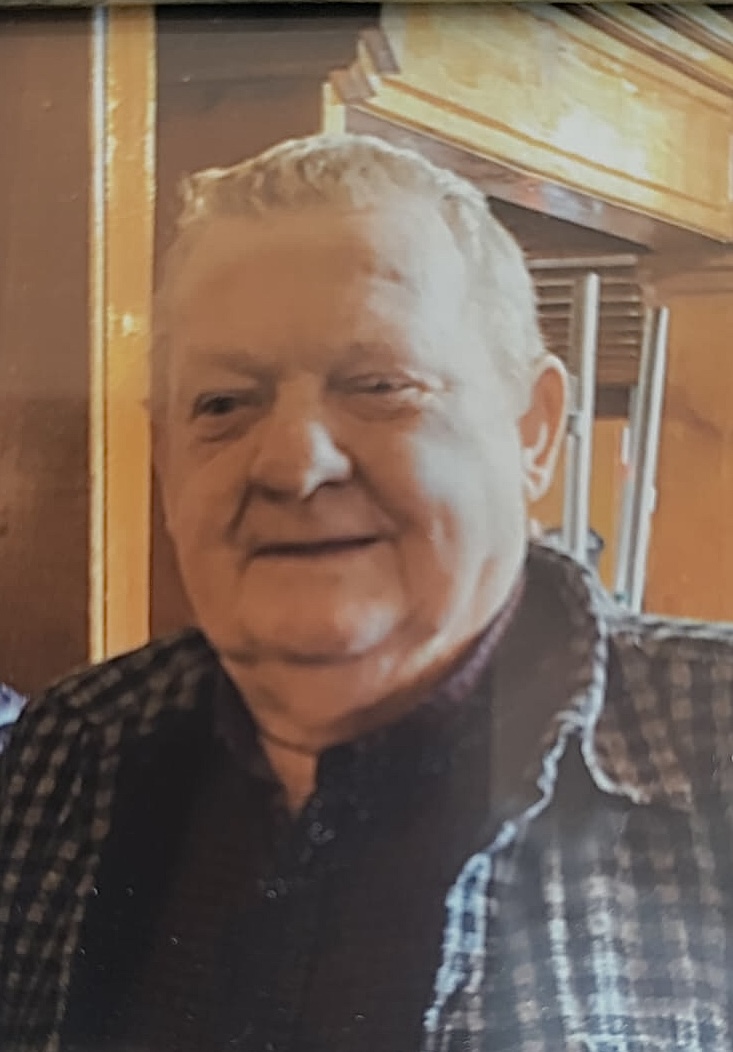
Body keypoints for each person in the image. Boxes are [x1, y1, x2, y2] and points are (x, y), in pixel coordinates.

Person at [1, 133, 732, 1052]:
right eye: (223, 404)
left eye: (381, 385)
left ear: (533, 430)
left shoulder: (713, 736)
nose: (293, 463)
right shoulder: (73, 745)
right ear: (165, 454)